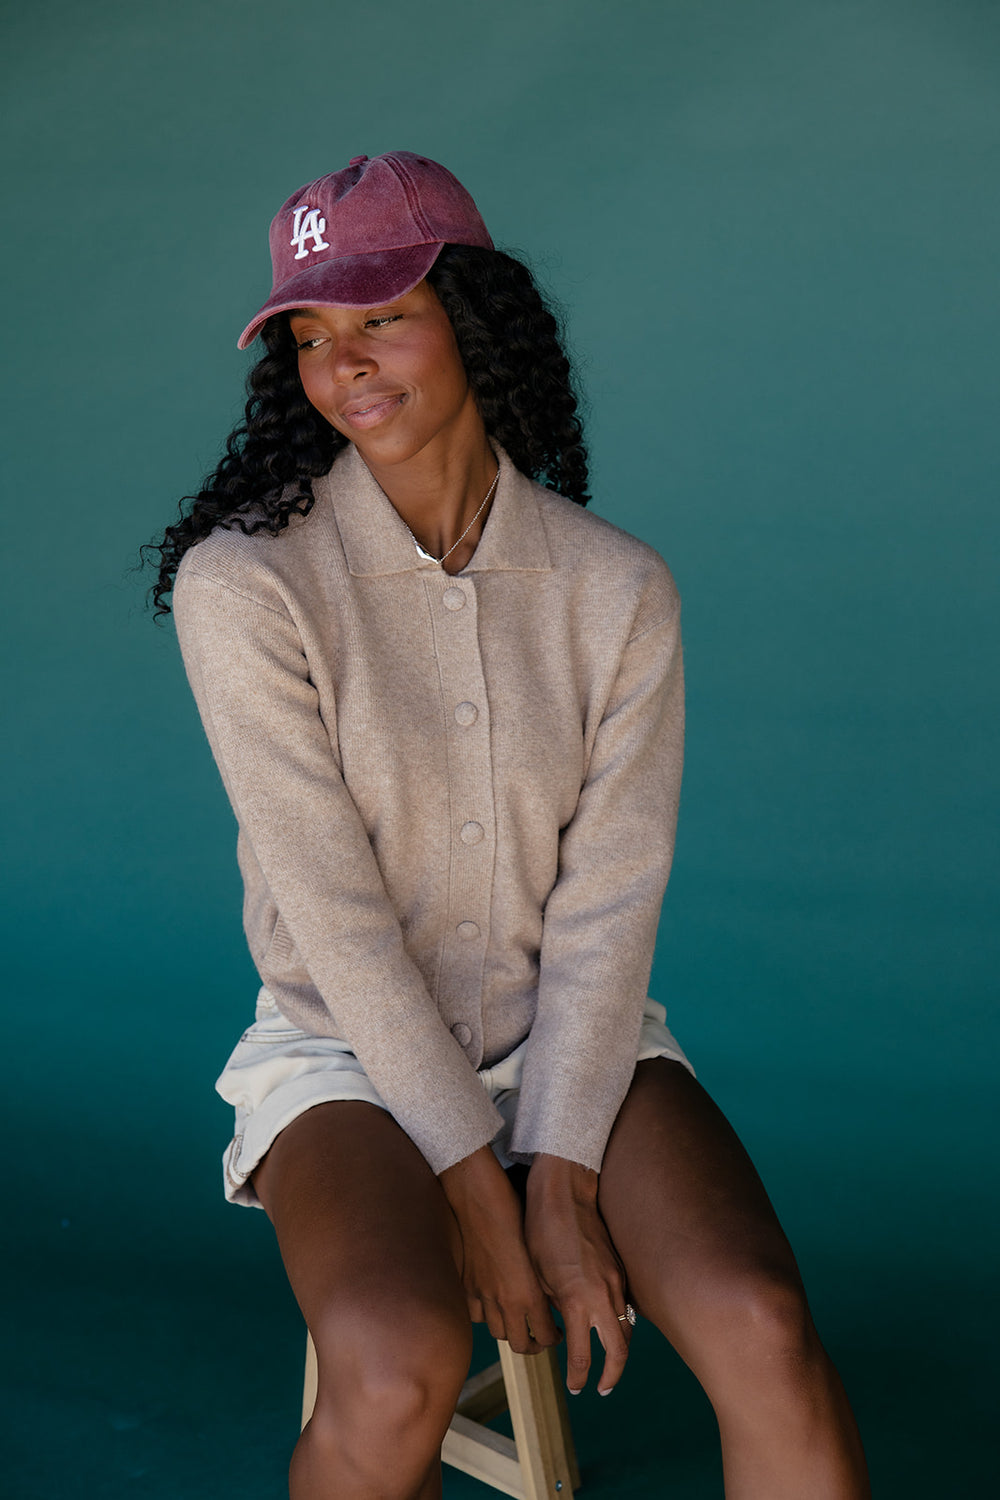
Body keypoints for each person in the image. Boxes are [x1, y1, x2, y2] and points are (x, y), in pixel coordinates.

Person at [148, 151, 870, 1500]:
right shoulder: (246, 585)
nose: (345, 364)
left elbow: (610, 904)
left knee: (765, 1326)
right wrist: (484, 1186)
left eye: (384, 317)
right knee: (393, 1363)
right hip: (345, 1049)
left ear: (474, 322)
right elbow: (336, 921)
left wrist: (566, 1168)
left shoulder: (617, 591)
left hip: (572, 1036)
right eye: (311, 336)